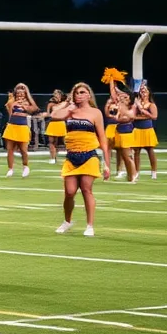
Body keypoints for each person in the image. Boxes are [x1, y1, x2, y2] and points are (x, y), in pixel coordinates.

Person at [50, 82, 110, 236]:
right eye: (77, 93)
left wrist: (107, 164)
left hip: (89, 155)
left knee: (86, 189)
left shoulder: (95, 113)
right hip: (71, 156)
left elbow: (102, 138)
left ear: (89, 95)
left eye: (82, 92)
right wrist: (68, 107)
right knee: (69, 192)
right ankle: (67, 221)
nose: (79, 95)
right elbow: (54, 115)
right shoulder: (70, 111)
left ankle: (90, 225)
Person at [2, 84, 38, 177]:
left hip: (22, 127)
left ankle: (25, 166)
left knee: (23, 150)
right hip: (12, 126)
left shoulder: (28, 103)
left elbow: (34, 108)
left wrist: (26, 91)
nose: (20, 95)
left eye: (22, 93)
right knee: (10, 149)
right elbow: (9, 112)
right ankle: (10, 169)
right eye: (18, 93)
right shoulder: (12, 102)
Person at [130, 83, 160, 179]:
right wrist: (142, 114)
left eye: (145, 91)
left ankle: (154, 172)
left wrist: (143, 111)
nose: (143, 92)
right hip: (137, 130)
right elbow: (133, 116)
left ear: (149, 93)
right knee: (136, 152)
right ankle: (136, 172)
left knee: (150, 150)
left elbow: (154, 117)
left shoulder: (151, 105)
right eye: (141, 91)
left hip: (147, 130)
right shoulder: (136, 103)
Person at [43, 90, 67, 164]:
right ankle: (53, 158)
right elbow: (48, 114)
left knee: (66, 141)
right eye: (54, 94)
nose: (55, 95)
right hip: (53, 123)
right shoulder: (50, 104)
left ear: (60, 95)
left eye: (57, 93)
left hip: (61, 123)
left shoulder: (65, 103)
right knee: (52, 141)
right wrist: (44, 115)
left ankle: (72, 156)